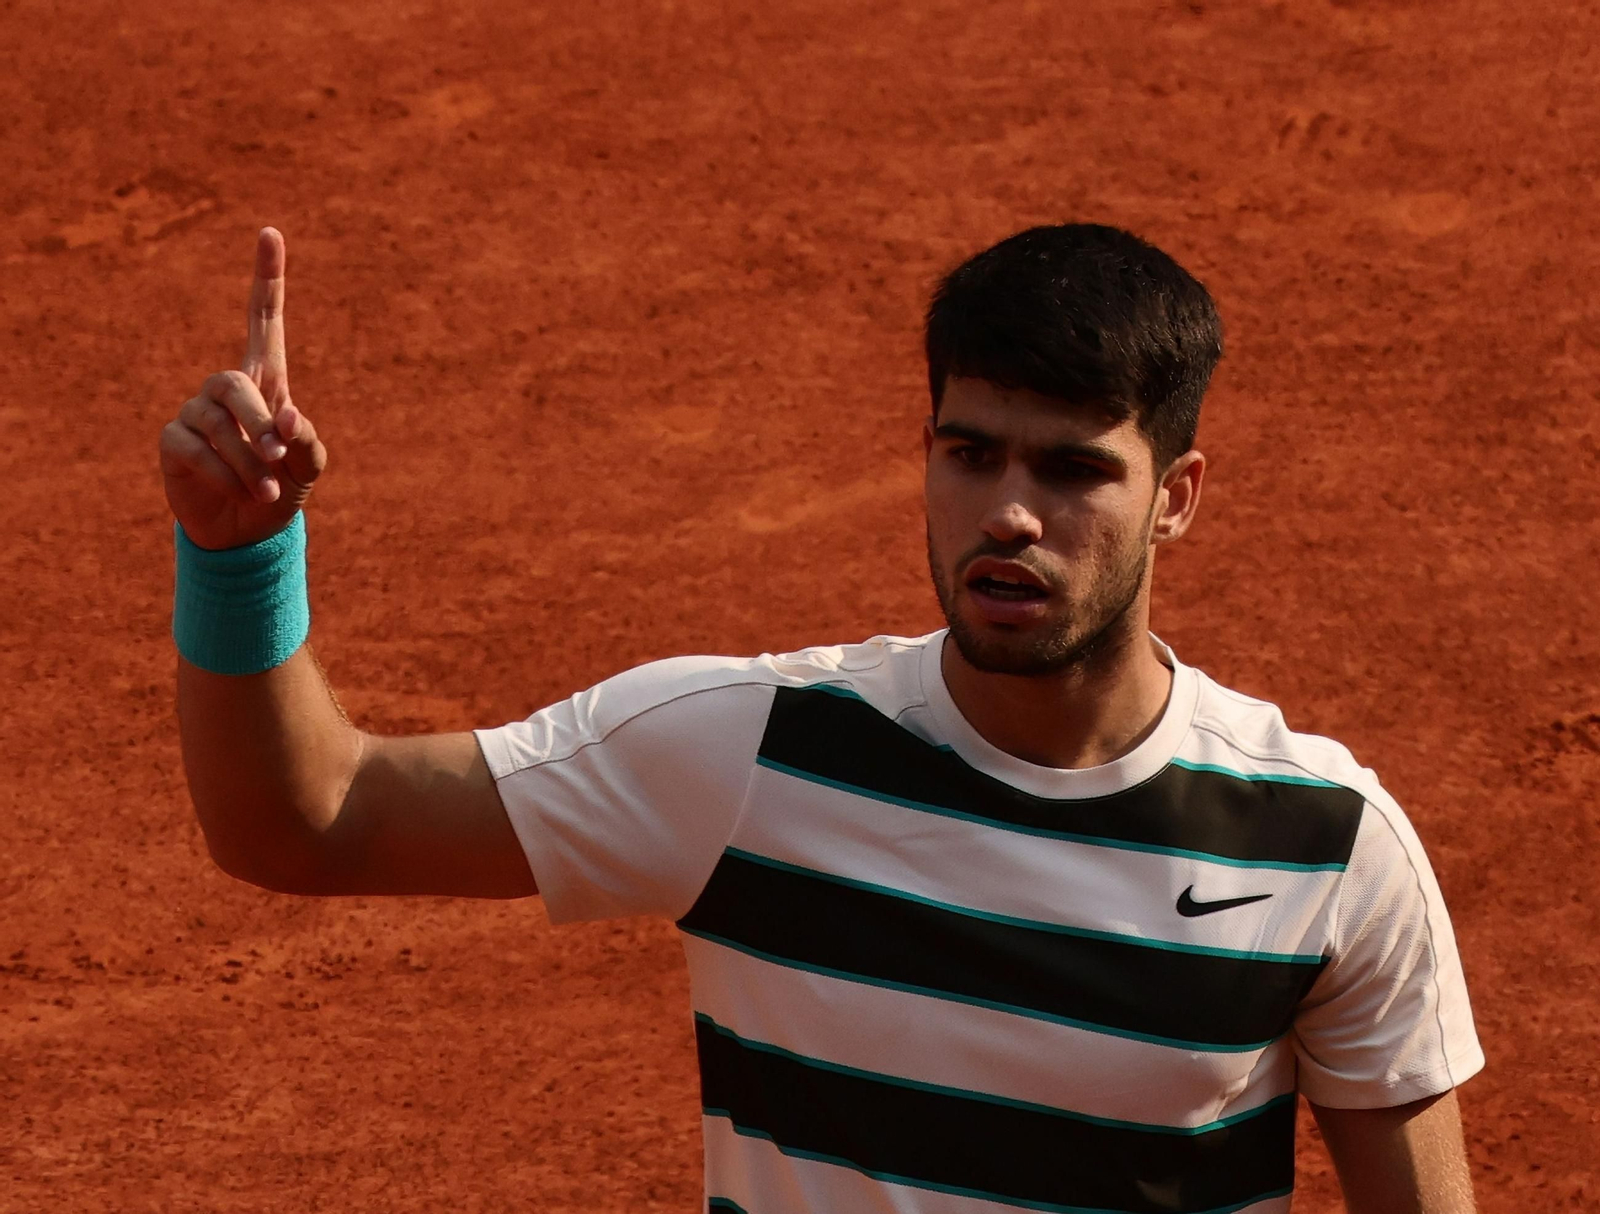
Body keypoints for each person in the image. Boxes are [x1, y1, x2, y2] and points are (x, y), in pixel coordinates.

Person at [160, 223, 1484, 1214]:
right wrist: (240, 558)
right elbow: (309, 820)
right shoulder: (755, 754)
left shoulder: (1324, 848)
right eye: (970, 453)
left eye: (1074, 469)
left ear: (1176, 496)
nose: (1009, 514)